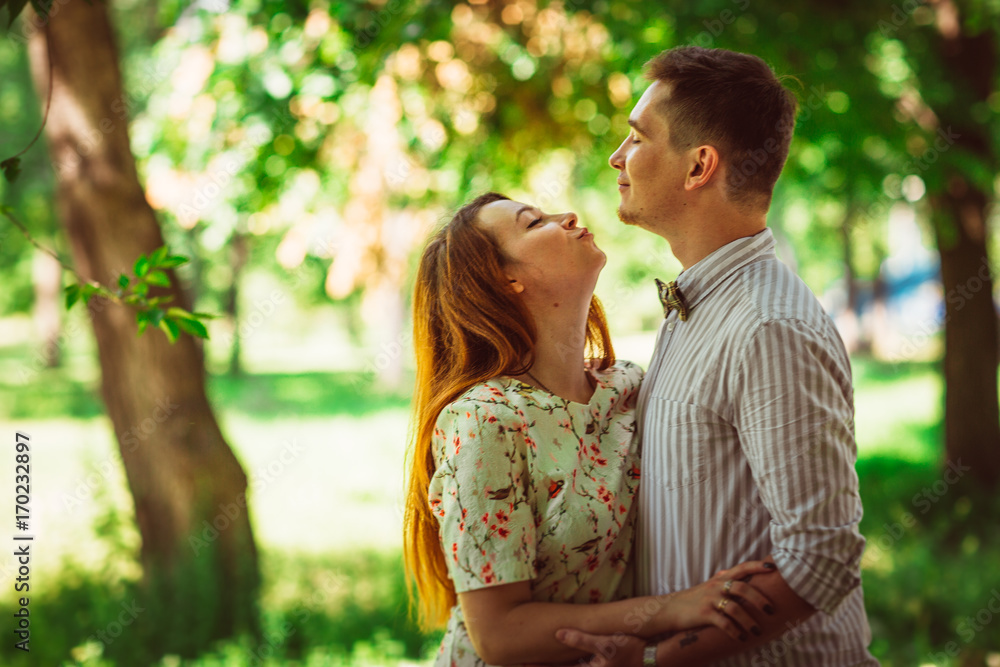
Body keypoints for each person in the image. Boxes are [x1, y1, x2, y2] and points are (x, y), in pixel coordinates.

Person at [555, 46, 878, 665]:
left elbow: (822, 556)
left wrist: (655, 662)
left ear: (699, 165)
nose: (616, 157)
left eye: (636, 137)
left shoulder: (767, 327)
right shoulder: (696, 304)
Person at [404, 192, 777, 667]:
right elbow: (499, 636)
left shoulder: (627, 384)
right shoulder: (486, 420)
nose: (567, 217)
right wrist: (671, 610)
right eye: (535, 222)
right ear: (506, 279)